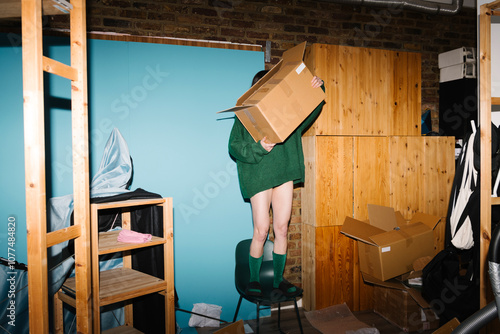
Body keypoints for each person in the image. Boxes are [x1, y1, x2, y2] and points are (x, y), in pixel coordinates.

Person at [228, 70, 325, 298]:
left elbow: (311, 110)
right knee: (261, 230)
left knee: (282, 229)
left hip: (284, 172)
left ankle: (278, 280)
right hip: (259, 175)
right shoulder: (245, 114)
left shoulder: (289, 111)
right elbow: (234, 146)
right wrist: (258, 148)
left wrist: (317, 88)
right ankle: (254, 280)